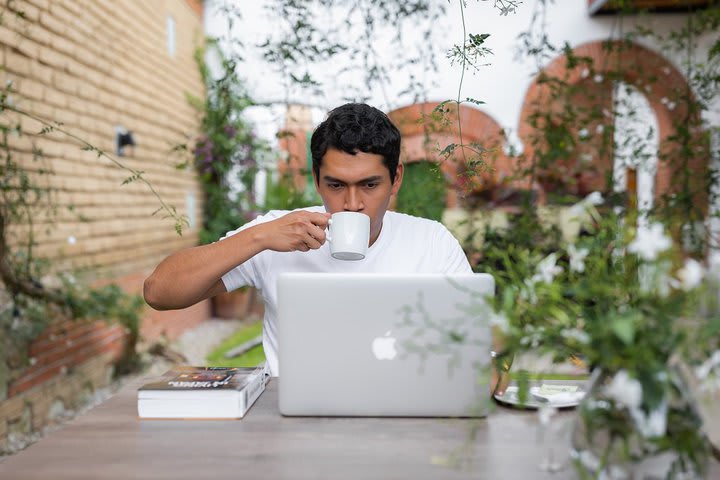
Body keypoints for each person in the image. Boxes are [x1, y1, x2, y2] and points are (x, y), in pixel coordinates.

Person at [144, 103, 472, 376]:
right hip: (290, 424)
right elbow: (159, 291)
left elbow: (474, 353)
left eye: (370, 185)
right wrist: (258, 237)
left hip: (402, 423)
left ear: (395, 178)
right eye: (336, 185)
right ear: (316, 180)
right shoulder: (277, 234)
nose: (353, 203)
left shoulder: (432, 243)